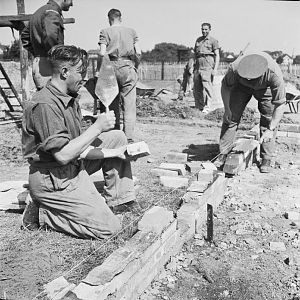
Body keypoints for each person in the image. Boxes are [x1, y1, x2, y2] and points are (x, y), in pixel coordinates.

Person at [21, 45, 135, 239]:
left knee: (116, 138)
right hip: (54, 178)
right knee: (110, 230)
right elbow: (63, 155)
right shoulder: (45, 104)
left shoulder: (70, 97)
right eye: (81, 72)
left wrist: (114, 152)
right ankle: (43, 213)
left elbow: (80, 146)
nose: (84, 77)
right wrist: (97, 127)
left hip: (74, 165)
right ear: (65, 72)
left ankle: (119, 200)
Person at [219, 52, 286, 173]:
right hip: (240, 87)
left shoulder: (273, 73)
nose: (250, 81)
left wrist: (270, 129)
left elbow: (280, 104)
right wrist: (227, 109)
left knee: (269, 118)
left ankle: (267, 158)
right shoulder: (234, 68)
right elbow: (225, 86)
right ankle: (224, 153)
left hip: (265, 88)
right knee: (231, 117)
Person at [97, 8, 141, 143]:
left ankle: (114, 133)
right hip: (127, 66)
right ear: (120, 18)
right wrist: (135, 66)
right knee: (129, 104)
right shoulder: (131, 32)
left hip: (110, 67)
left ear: (109, 18)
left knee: (111, 102)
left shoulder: (105, 31)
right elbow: (138, 52)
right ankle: (128, 136)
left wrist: (100, 70)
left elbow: (102, 53)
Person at [21, 0, 73, 90]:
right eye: (71, 0)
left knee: (47, 100)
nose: (72, 4)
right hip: (49, 67)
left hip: (40, 63)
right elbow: (50, 36)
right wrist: (57, 59)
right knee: (53, 100)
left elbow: (25, 37)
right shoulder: (52, 12)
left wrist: (38, 54)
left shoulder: (39, 12)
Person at [193, 22, 220, 113]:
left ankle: (208, 107)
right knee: (197, 87)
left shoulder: (213, 41)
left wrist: (215, 69)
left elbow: (217, 55)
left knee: (207, 86)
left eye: (206, 29)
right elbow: (195, 54)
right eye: (202, 29)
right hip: (198, 65)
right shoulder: (198, 40)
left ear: (209, 30)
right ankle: (199, 106)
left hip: (207, 65)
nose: (204, 31)